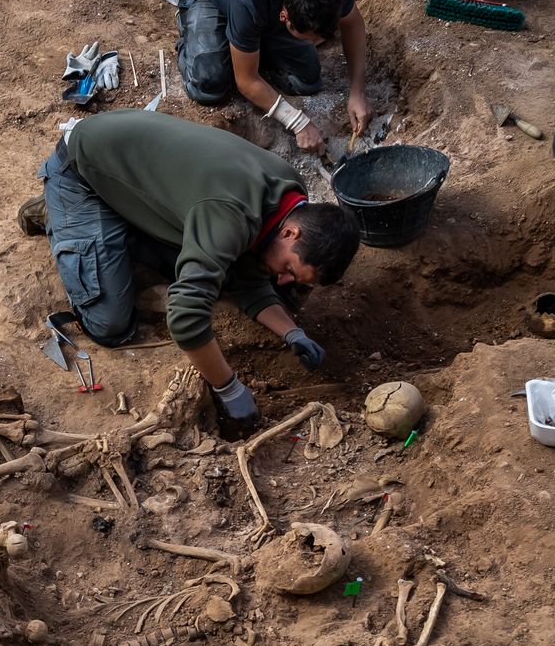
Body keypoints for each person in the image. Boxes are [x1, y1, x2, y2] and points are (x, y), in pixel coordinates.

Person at [18, 111, 359, 423]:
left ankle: (109, 224)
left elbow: (247, 275)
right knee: (110, 324)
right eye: (289, 268)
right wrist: (229, 389)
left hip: (147, 175)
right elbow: (185, 317)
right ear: (290, 231)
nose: (282, 279)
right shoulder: (229, 214)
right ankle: (58, 210)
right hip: (83, 172)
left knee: (245, 276)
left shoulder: (290, 198)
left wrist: (291, 332)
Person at [174, 0, 371, 149]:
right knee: (210, 84)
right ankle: (195, 29)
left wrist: (357, 91)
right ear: (284, 17)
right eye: (306, 38)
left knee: (306, 82)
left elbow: (352, 23)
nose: (313, 44)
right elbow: (245, 80)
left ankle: (246, 40)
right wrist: (296, 121)